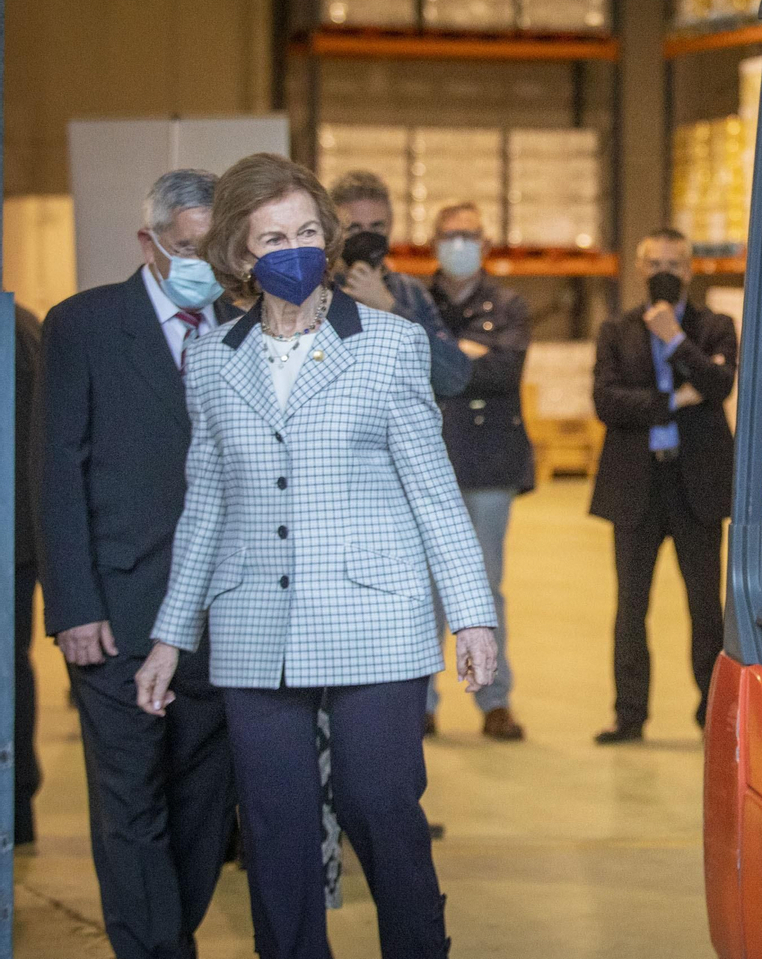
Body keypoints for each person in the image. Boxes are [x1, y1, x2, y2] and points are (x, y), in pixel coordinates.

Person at [132, 153, 499, 959]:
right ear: (238, 254)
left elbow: (434, 493)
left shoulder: (390, 346)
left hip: (374, 610)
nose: (293, 247)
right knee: (276, 827)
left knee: (377, 803)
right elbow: (206, 503)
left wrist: (472, 617)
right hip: (253, 617)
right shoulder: (213, 359)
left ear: (327, 238)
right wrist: (170, 636)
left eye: (306, 230)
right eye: (272, 236)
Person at [38, 169, 239, 958]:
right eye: (185, 249)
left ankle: (170, 935)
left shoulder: (246, 327)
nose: (202, 267)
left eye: (213, 252)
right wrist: (72, 606)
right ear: (147, 242)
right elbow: (56, 472)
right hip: (118, 612)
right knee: (129, 800)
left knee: (202, 800)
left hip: (221, 618)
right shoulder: (84, 326)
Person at [590, 229, 737, 743]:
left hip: (695, 483)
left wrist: (676, 340)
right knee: (631, 606)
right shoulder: (615, 331)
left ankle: (713, 714)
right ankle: (629, 714)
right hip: (636, 484)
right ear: (638, 268)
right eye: (654, 263)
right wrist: (673, 401)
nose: (664, 272)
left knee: (706, 606)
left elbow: (719, 386)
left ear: (692, 270)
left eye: (674, 262)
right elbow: (606, 401)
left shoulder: (715, 327)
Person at [426, 202, 534, 741]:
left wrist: (447, 357)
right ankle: (419, 700)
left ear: (485, 244)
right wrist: (465, 355)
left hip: (490, 466)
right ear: (434, 243)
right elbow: (409, 365)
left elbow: (502, 371)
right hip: (425, 464)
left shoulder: (509, 305)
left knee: (484, 587)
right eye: (450, 235)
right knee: (423, 590)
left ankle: (494, 700)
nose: (460, 244)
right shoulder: (414, 300)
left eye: (469, 235)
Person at [329, 170, 471, 400]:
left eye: (376, 227)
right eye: (353, 228)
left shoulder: (409, 292)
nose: (365, 237)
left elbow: (454, 376)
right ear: (333, 231)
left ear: (390, 228)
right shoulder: (316, 293)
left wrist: (390, 308)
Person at [14, 304, 41, 846]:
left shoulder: (13, 329)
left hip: (11, 538)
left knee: (7, 672)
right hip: (18, 534)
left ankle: (13, 803)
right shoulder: (21, 323)